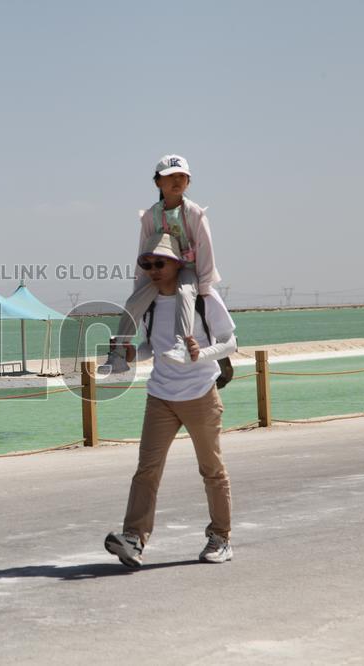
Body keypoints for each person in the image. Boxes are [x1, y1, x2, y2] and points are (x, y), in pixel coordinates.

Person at [104, 232, 237, 568]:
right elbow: (153, 347)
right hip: (160, 395)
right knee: (146, 471)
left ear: (178, 263)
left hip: (200, 394)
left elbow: (230, 342)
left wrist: (200, 353)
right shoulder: (147, 303)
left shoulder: (203, 297)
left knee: (212, 470)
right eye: (147, 264)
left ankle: (220, 537)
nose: (153, 270)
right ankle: (133, 538)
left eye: (159, 263)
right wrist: (133, 354)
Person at [105, 155, 221, 372]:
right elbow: (144, 252)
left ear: (188, 181)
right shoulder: (151, 216)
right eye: (170, 176)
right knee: (133, 303)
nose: (177, 181)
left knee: (185, 293)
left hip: (187, 270)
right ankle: (119, 352)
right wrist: (140, 287)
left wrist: (204, 288)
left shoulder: (195, 213)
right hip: (161, 270)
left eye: (182, 176)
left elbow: (206, 250)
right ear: (158, 182)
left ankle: (181, 344)